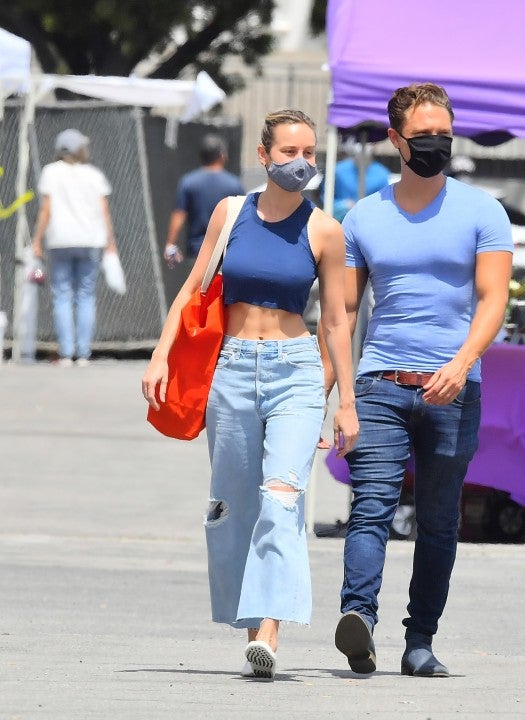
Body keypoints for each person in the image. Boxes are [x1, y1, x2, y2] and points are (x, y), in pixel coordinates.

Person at [142, 109, 359, 681]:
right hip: (233, 370)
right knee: (235, 505)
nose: (301, 163)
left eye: (309, 153)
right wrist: (162, 353)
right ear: (264, 156)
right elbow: (193, 289)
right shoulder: (231, 212)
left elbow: (336, 321)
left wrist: (345, 401)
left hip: (295, 371)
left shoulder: (325, 230)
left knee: (282, 499)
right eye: (289, 152)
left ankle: (269, 632)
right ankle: (251, 628)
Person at [320, 82, 513, 677]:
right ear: (395, 139)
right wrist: (332, 396)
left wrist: (461, 363)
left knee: (438, 520)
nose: (436, 143)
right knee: (371, 508)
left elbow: (494, 298)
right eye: (423, 134)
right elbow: (342, 313)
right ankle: (359, 619)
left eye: (443, 134)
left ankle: (420, 640)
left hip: (455, 388)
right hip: (380, 382)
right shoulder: (364, 215)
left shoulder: (483, 211)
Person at [31, 128, 117, 366]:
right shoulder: (93, 174)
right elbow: (103, 210)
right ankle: (83, 353)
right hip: (90, 239)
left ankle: (66, 352)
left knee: (62, 294)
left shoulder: (51, 172)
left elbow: (46, 209)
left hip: (60, 240)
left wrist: (37, 240)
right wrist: (110, 241)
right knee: (86, 294)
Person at [164, 134, 244, 265]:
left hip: (197, 252)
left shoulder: (188, 182)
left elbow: (179, 214)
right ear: (222, 155)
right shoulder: (234, 184)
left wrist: (170, 244)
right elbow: (242, 217)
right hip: (225, 251)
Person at [321, 140, 391, 222]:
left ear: (375, 146)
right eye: (358, 141)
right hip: (338, 222)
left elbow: (383, 205)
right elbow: (325, 198)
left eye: (369, 142)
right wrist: (343, 206)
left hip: (367, 222)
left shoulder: (382, 174)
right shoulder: (338, 170)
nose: (363, 146)